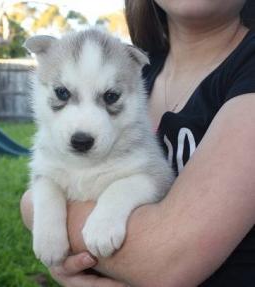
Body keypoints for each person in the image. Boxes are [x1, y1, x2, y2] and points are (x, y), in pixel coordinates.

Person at [20, 0, 255, 286]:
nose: (83, 123)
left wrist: (39, 211)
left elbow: (165, 260)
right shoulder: (142, 65)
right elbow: (45, 183)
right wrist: (47, 210)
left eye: (109, 98)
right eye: (62, 93)